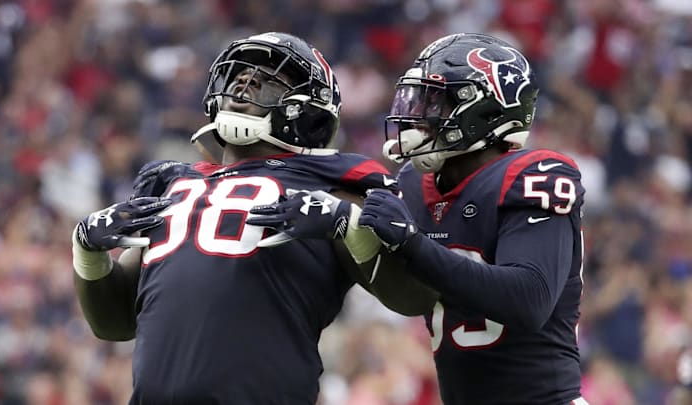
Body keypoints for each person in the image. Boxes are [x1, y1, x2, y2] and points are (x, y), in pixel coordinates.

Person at [71, 32, 436, 404]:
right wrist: (87, 253)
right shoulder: (175, 185)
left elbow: (413, 298)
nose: (246, 80)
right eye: (241, 73)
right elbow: (113, 324)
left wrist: (352, 225)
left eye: (269, 77)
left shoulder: (331, 188)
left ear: (308, 109)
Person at [249, 33, 587, 404]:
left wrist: (411, 243)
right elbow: (407, 293)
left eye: (436, 103)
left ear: (487, 111)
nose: (418, 116)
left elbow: (528, 299)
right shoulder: (414, 182)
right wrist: (344, 221)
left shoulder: (535, 173)